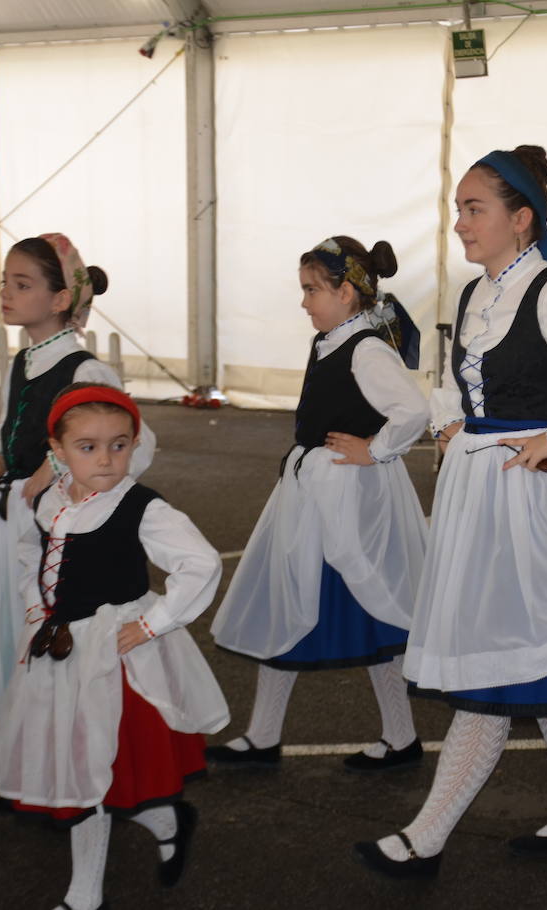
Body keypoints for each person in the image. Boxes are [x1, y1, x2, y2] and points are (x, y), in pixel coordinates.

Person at [355, 145, 547, 876]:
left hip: (539, 501)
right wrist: (451, 420)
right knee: (542, 666)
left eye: (474, 208)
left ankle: (425, 837)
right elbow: (468, 382)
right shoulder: (475, 293)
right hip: (488, 494)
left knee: (496, 670)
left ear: (520, 219)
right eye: (459, 208)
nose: (460, 222)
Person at [0, 384, 227, 910]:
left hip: (115, 656)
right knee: (84, 767)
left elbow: (200, 562)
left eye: (120, 444)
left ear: (135, 445)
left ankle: (84, 896)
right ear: (58, 450)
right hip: (60, 651)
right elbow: (31, 555)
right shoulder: (49, 500)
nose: (107, 458)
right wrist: (35, 609)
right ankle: (166, 820)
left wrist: (154, 623)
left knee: (93, 769)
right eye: (88, 446)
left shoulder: (140, 506)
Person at [0, 234, 156, 721]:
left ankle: (64, 745)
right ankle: (30, 742)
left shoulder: (86, 371)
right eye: (5, 283)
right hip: (9, 514)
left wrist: (53, 468)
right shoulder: (26, 360)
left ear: (60, 300)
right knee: (8, 626)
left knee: (50, 625)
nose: (7, 293)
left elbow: (132, 440)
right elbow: (7, 423)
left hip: (53, 523)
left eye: (22, 284)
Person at [208, 237, 429, 770]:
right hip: (314, 496)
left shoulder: (367, 348)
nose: (304, 302)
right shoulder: (331, 340)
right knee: (290, 600)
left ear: (347, 291)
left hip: (348, 502)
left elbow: (413, 411)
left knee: (368, 613)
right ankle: (264, 735)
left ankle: (400, 738)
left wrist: (374, 450)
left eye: (312, 290)